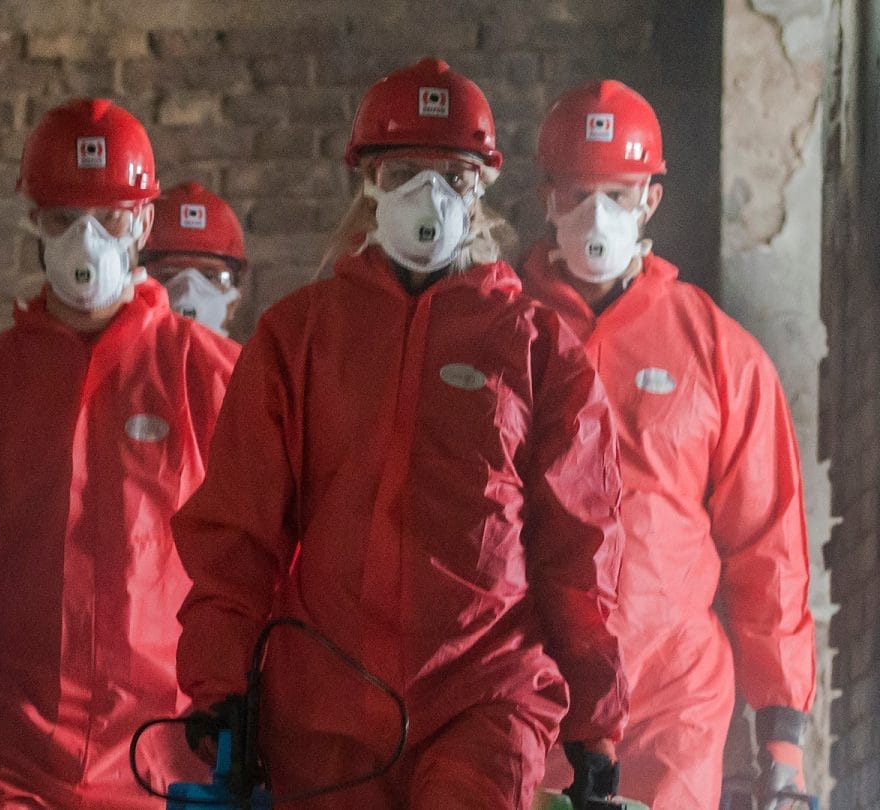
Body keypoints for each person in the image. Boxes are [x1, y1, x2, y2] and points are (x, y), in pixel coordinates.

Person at [171, 58, 629, 809]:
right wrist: (221, 683)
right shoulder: (299, 337)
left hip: (486, 696)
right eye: (405, 172)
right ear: (369, 182)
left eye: (452, 176)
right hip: (321, 712)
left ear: (481, 187)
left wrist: (596, 716)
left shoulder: (537, 348)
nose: (429, 196)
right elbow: (238, 532)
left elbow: (578, 546)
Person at [0, 98, 241, 809]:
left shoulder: (212, 384)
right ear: (33, 221)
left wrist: (269, 740)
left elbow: (272, 562)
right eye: (64, 219)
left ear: (144, 224)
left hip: (163, 762)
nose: (86, 241)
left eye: (110, 219)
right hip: (5, 760)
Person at [522, 79, 816, 808]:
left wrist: (782, 735)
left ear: (650, 200)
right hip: (531, 693)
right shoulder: (501, 333)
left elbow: (768, 547)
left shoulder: (716, 352)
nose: (597, 215)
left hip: (670, 706)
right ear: (547, 197)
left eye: (618, 194)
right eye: (579, 192)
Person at [142, 182, 249, 339]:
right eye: (168, 274)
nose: (188, 292)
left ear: (234, 301)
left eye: (210, 277)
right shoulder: (111, 355)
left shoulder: (254, 357)